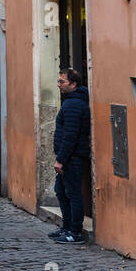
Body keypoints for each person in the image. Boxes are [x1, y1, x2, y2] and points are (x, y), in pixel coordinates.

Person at [51, 67, 91, 243]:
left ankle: (75, 231)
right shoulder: (71, 101)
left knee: (72, 193)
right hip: (69, 157)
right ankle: (67, 227)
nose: (58, 84)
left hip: (71, 158)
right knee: (60, 190)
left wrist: (61, 160)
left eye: (62, 81)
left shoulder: (74, 104)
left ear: (73, 84)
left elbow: (70, 135)